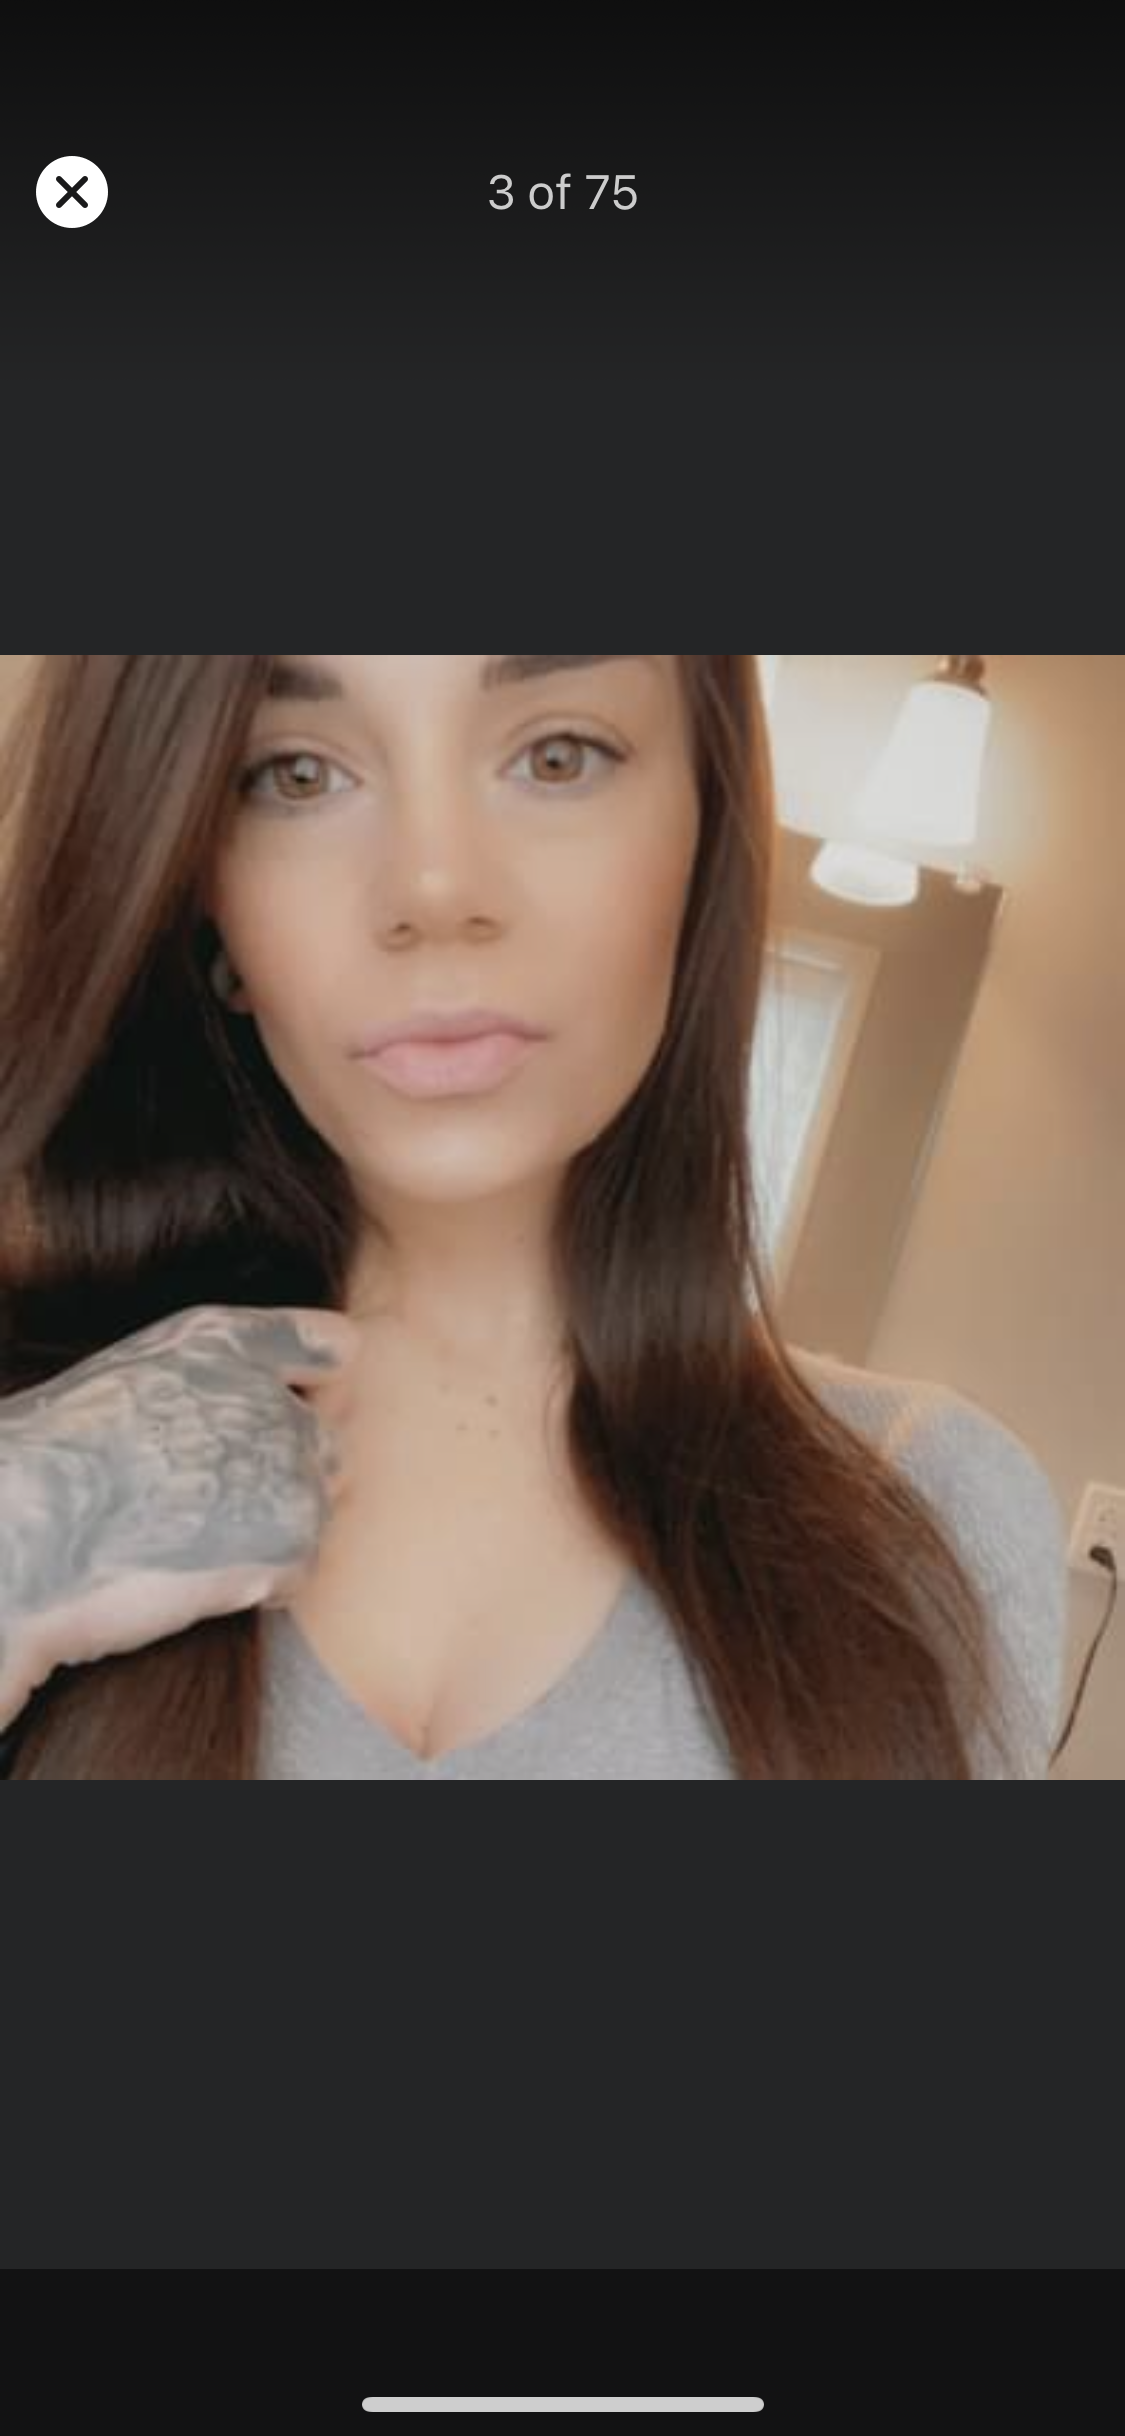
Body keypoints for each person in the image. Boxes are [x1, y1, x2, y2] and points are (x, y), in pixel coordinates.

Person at [0, 655, 1067, 1778]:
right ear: (206, 900)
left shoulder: (932, 1517)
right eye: (297, 774)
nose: (433, 889)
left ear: (703, 834)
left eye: (557, 757)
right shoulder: (32, 1449)